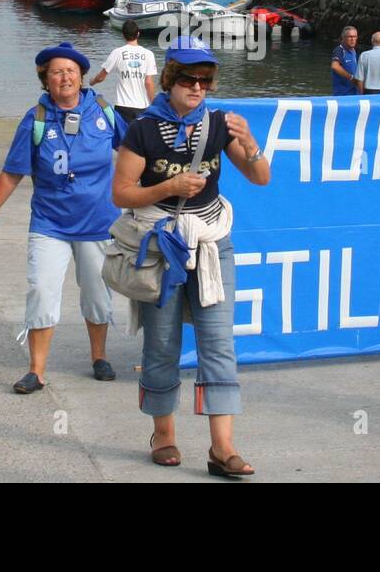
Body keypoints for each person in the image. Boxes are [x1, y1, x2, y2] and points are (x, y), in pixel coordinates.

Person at [111, 37, 270, 476]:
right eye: (188, 79)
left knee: (219, 343)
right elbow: (120, 192)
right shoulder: (143, 128)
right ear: (169, 79)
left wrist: (251, 141)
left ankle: (223, 447)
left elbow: (261, 177)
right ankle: (163, 434)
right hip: (161, 245)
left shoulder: (219, 125)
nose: (197, 88)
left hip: (212, 242)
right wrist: (168, 188)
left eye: (205, 80)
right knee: (162, 344)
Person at [0, 43, 126, 394]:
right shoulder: (35, 119)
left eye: (71, 71)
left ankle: (99, 357)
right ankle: (36, 371)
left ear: (82, 75)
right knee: (41, 289)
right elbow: (13, 172)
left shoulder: (103, 110)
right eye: (56, 72)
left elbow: (132, 150)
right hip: (50, 223)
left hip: (98, 221)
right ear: (45, 79)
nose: (65, 77)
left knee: (97, 292)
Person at [91, 21, 158, 123]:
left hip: (122, 105)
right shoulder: (149, 54)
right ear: (138, 34)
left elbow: (101, 77)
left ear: (123, 35)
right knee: (140, 137)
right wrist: (153, 104)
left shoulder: (117, 53)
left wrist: (92, 81)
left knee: (124, 137)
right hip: (142, 106)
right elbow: (149, 82)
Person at [331, 25, 360, 96]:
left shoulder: (354, 51)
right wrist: (351, 78)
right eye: (350, 37)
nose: (352, 39)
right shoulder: (339, 50)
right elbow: (335, 66)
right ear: (343, 38)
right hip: (342, 94)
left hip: (354, 93)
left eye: (354, 36)